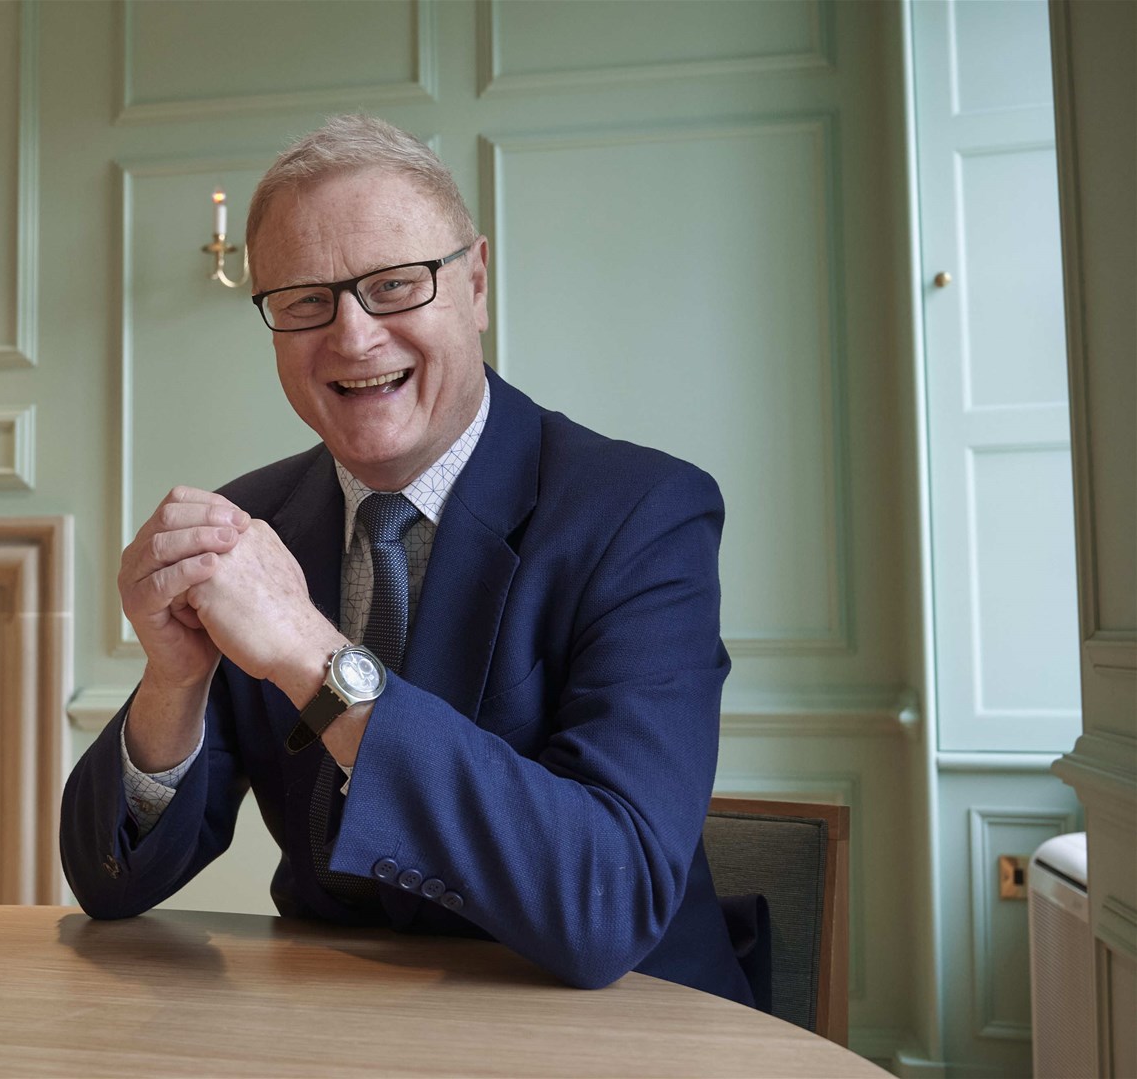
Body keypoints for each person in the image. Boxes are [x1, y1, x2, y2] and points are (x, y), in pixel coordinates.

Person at [60, 115, 753, 1003]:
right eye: (306, 300)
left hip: (626, 1026)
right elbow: (110, 884)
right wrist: (171, 683)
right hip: (343, 1024)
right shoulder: (257, 524)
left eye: (394, 285)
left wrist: (315, 661)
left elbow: (606, 904)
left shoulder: (641, 513)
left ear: (475, 285)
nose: (351, 338)